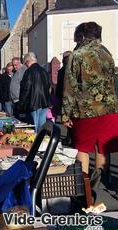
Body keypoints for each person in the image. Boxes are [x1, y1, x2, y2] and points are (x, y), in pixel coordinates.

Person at [61, 22, 118, 174]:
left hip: (86, 109)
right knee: (102, 148)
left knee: (82, 148)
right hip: (109, 108)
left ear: (82, 36)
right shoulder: (107, 55)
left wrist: (66, 115)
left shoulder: (77, 55)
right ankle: (100, 182)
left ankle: (84, 185)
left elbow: (69, 87)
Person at [18, 52, 51, 133]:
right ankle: (42, 142)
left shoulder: (28, 72)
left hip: (33, 102)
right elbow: (48, 86)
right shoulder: (44, 71)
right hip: (44, 101)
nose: (25, 65)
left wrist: (21, 104)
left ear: (28, 61)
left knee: (34, 127)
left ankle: (36, 143)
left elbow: (26, 89)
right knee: (42, 125)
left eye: (25, 63)